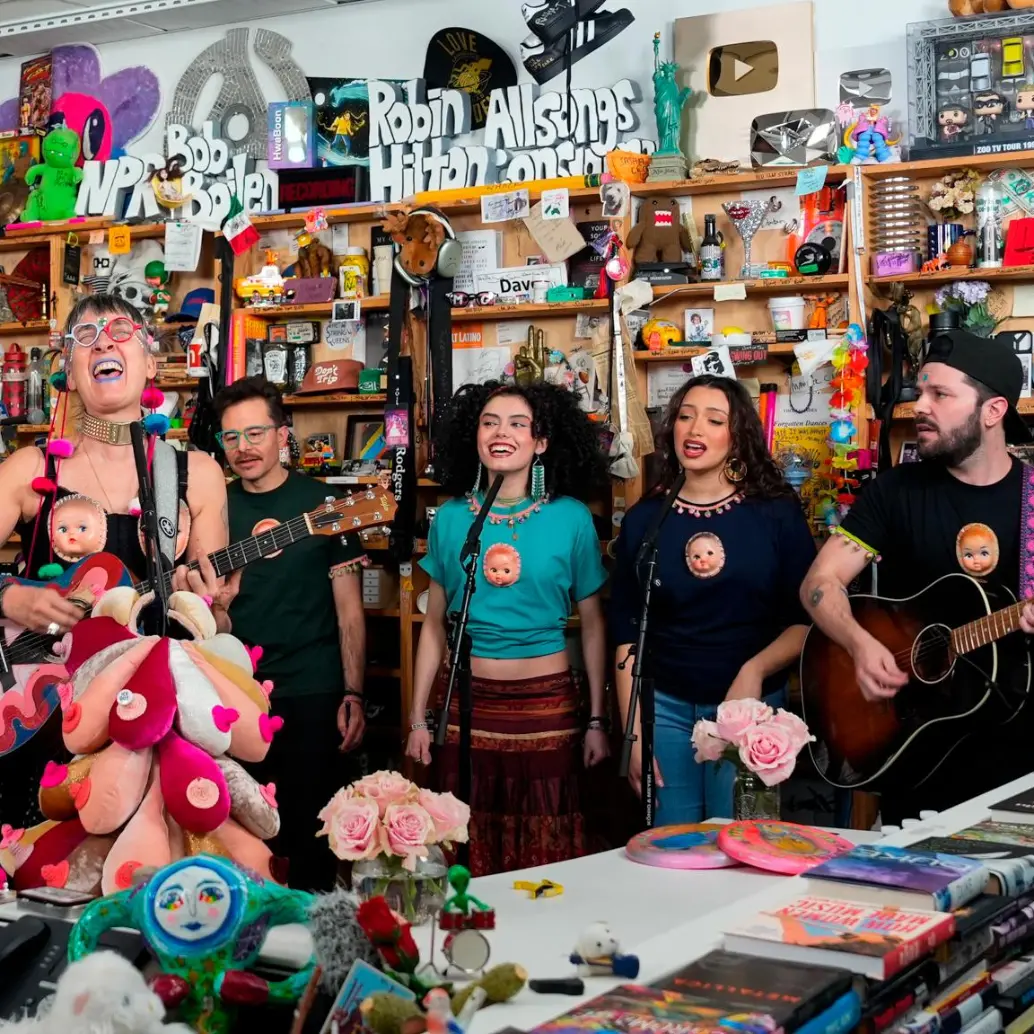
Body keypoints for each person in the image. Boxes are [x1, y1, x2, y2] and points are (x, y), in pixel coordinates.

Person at [0, 294, 234, 830]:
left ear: (150, 361)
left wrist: (211, 607)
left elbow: (217, 622)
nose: (103, 341)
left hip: (151, 723)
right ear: (68, 372)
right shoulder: (30, 469)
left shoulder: (196, 474)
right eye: (85, 336)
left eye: (121, 331)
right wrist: (10, 596)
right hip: (45, 720)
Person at [801, 329, 1034, 823]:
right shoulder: (895, 493)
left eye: (940, 395)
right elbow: (820, 584)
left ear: (993, 410)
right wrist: (860, 645)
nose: (919, 406)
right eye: (921, 391)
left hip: (1019, 760)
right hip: (916, 756)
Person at [405, 380, 610, 876]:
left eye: (519, 424)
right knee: (464, 839)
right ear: (474, 436)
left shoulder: (571, 518)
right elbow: (434, 625)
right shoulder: (451, 518)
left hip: (546, 706)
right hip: (466, 703)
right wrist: (417, 718)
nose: (502, 433)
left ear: (541, 442)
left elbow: (593, 626)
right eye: (490, 422)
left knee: (546, 844)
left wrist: (597, 720)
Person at [611, 375, 816, 824]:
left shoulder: (775, 511)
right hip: (664, 708)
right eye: (685, 416)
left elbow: (806, 620)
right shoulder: (647, 517)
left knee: (745, 840)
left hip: (750, 706)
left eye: (714, 419)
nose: (695, 428)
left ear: (737, 436)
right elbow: (626, 630)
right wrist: (633, 734)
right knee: (673, 845)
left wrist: (753, 670)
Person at [214, 375, 367, 891]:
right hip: (233, 695)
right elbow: (203, 616)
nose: (243, 447)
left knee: (310, 838)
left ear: (283, 434)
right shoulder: (213, 509)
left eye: (255, 433)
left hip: (310, 690)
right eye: (231, 437)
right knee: (241, 840)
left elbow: (349, 613)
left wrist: (353, 693)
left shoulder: (324, 503)